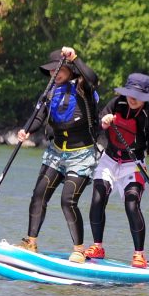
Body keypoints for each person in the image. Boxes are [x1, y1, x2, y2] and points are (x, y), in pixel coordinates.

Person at [15, 46, 100, 263]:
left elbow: (93, 78)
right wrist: (27, 130)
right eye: (52, 71)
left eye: (59, 70)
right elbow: (38, 117)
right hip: (55, 153)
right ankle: (31, 243)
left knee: (67, 201)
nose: (55, 74)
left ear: (70, 69)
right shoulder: (49, 92)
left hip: (81, 155)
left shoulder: (83, 87)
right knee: (38, 195)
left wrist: (75, 58)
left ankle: (79, 250)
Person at [83, 72, 149, 268]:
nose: (132, 99)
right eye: (130, 94)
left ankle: (139, 255)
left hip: (133, 165)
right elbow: (100, 121)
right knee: (97, 197)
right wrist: (105, 121)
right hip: (109, 160)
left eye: (137, 96)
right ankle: (97, 247)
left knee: (131, 205)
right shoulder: (117, 103)